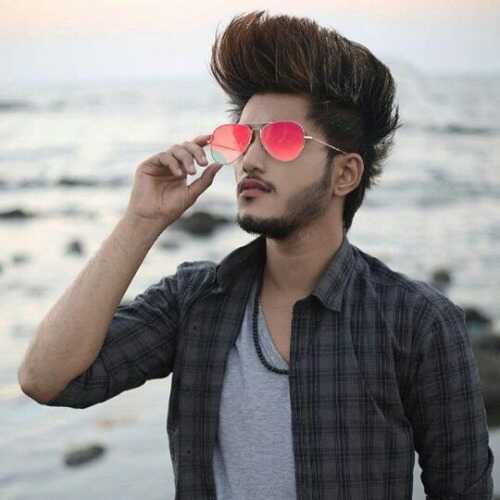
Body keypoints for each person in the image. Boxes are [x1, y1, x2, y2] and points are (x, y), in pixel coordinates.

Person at [18, 10, 494, 500]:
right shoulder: (195, 301)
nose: (250, 159)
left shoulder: (417, 322)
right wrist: (141, 220)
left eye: (282, 138)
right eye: (241, 139)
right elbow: (47, 380)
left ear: (345, 174)